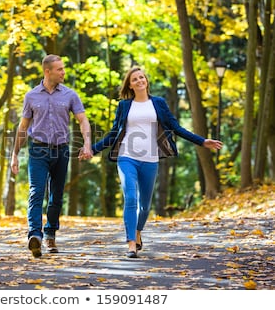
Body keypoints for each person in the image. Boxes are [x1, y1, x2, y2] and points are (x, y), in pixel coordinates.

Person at [87, 66, 222, 258]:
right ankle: (131, 244)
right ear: (130, 85)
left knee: (145, 207)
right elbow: (113, 135)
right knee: (131, 198)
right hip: (127, 156)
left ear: (146, 81)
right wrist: (92, 150)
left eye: (142, 77)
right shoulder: (124, 106)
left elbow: (176, 127)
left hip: (150, 159)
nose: (139, 81)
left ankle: (138, 232)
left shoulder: (158, 103)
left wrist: (202, 141)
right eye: (135, 79)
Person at [11, 54, 93, 258]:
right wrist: (14, 154)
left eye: (63, 68)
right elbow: (23, 127)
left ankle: (50, 234)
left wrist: (87, 144)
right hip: (38, 150)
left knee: (56, 195)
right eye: (60, 69)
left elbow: (83, 120)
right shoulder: (31, 96)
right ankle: (35, 236)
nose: (63, 72)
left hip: (61, 150)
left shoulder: (70, 95)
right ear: (47, 72)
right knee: (36, 192)